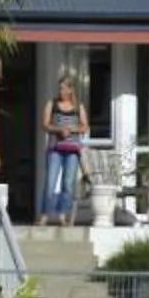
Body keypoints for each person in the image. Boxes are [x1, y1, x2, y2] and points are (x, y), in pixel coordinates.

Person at [40, 75, 85, 226]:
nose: (61, 91)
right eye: (60, 88)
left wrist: (72, 130)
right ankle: (45, 215)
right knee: (50, 182)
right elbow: (45, 125)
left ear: (70, 89)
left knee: (68, 183)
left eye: (64, 88)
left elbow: (84, 126)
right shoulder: (52, 104)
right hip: (55, 148)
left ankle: (62, 215)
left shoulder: (78, 106)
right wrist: (59, 129)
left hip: (72, 150)